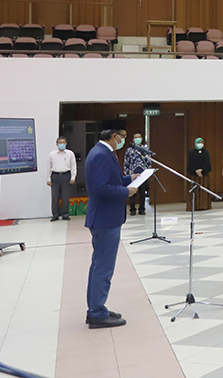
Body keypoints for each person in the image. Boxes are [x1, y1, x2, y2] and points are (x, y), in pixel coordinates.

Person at [84, 120, 136, 329]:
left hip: (106, 218)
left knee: (99, 265)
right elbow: (101, 188)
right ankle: (96, 312)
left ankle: (97, 308)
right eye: (122, 136)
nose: (123, 140)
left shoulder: (102, 153)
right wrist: (127, 192)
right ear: (114, 136)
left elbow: (109, 181)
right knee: (103, 268)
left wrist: (128, 179)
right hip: (105, 219)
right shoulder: (101, 156)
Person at [123, 132, 154, 216]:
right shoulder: (129, 150)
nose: (138, 139)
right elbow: (126, 162)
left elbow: (149, 162)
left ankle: (142, 209)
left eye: (139, 137)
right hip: (132, 174)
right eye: (136, 137)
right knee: (132, 193)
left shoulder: (145, 149)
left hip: (143, 174)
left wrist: (148, 173)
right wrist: (127, 174)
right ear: (133, 140)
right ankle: (132, 209)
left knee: (142, 193)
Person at [47, 136, 76, 222]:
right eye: (60, 143)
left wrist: (73, 177)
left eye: (63, 143)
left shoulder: (70, 153)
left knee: (65, 196)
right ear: (57, 144)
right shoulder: (52, 154)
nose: (62, 144)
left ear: (66, 144)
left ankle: (65, 214)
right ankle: (55, 215)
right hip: (55, 175)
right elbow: (48, 167)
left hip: (66, 175)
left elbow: (73, 166)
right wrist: (48, 179)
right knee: (55, 196)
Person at [187, 138, 212, 212]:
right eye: (198, 142)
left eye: (201, 142)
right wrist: (196, 170)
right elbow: (190, 163)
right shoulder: (191, 152)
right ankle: (194, 206)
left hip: (203, 174)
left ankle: (204, 205)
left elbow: (207, 163)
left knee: (203, 189)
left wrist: (202, 170)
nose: (200, 144)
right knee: (194, 190)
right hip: (194, 175)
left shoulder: (206, 152)